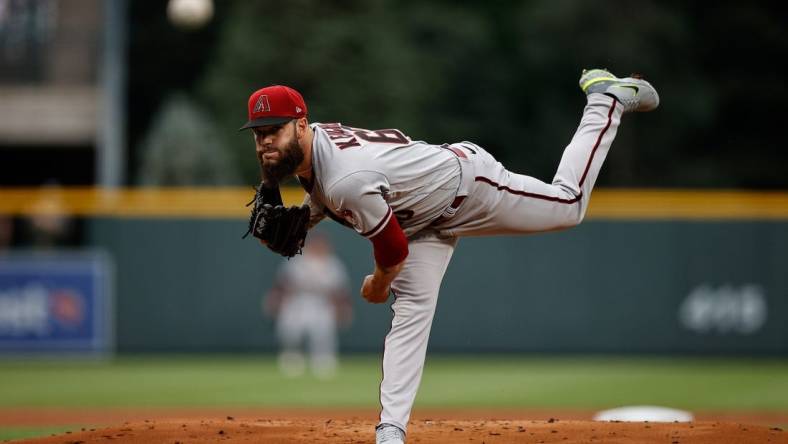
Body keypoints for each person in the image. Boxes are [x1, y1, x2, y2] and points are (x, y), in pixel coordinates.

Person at [240, 68, 659, 444]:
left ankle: (605, 100)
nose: (264, 143)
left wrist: (378, 283)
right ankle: (391, 431)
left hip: (468, 187)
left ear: (300, 125)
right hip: (418, 217)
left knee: (568, 206)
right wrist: (293, 206)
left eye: (273, 131)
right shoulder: (315, 151)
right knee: (411, 312)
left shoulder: (346, 178)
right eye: (258, 135)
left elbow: (391, 248)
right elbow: (331, 196)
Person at [263, 232, 352, 379]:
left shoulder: (333, 264)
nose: (318, 247)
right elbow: (282, 284)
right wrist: (275, 299)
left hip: (321, 303)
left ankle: (323, 361)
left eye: (321, 244)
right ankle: (291, 358)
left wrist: (343, 308)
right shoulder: (297, 260)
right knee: (290, 330)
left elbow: (340, 291)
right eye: (315, 244)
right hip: (298, 301)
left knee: (323, 333)